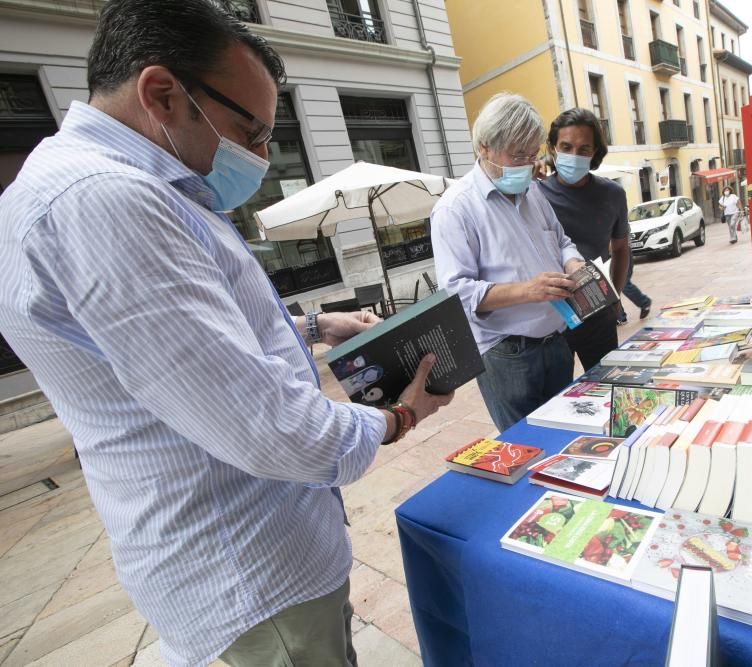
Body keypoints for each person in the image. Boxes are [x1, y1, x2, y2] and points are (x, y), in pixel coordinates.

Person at [0, 2, 452, 665]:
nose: (262, 156)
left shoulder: (112, 186)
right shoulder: (105, 201)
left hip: (254, 564)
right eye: (252, 130)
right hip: (255, 577)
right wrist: (399, 415)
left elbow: (179, 340)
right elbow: (271, 429)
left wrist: (314, 324)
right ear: (161, 93)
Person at [431, 93, 586, 432]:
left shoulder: (534, 192)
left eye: (532, 155)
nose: (528, 165)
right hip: (508, 353)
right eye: (518, 155)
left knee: (566, 436)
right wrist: (528, 290)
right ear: (484, 147)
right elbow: (457, 294)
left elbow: (561, 241)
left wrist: (573, 264)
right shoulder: (455, 209)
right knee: (527, 446)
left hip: (557, 338)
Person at [537, 108, 629, 370]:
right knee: (557, 397)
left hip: (598, 308)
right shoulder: (533, 195)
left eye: (584, 149)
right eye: (566, 147)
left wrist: (616, 295)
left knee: (608, 383)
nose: (574, 156)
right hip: (550, 317)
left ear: (595, 153)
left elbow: (621, 249)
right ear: (553, 148)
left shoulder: (613, 194)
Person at [617, 249, 653, 325]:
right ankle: (620, 317)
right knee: (612, 288)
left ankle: (645, 302)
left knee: (623, 284)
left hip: (620, 253)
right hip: (610, 256)